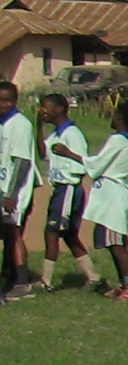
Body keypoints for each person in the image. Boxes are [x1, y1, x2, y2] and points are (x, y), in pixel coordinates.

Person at [84, 96, 128, 298]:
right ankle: (124, 284)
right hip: (121, 197)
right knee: (114, 243)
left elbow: (96, 164)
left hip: (113, 200)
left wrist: (69, 154)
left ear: (119, 117)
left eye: (114, 114)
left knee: (117, 245)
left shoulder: (118, 140)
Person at [40, 91, 93, 288]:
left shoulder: (72, 134)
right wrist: (38, 127)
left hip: (68, 188)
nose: (43, 111)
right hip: (60, 189)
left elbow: (83, 164)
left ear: (60, 109)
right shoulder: (56, 134)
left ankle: (46, 280)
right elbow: (42, 153)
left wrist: (67, 153)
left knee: (51, 232)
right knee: (70, 235)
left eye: (46, 107)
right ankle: (93, 276)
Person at [0, 75, 41, 300]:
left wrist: (11, 194)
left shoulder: (21, 124)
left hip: (15, 190)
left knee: (14, 233)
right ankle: (9, 274)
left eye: (7, 100)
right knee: (7, 233)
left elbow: (22, 162)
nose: (3, 104)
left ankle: (22, 282)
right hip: (3, 187)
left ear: (15, 100)